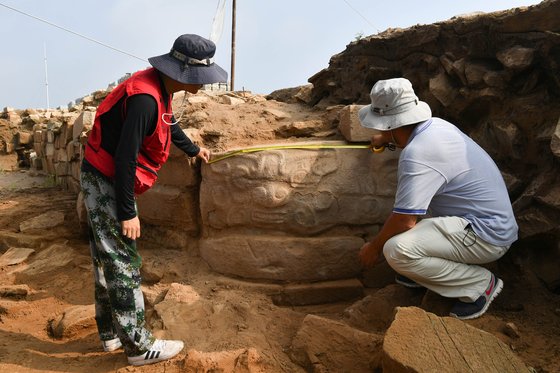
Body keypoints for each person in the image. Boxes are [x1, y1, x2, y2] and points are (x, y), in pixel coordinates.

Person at [80, 34, 227, 366]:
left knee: (107, 257)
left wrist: (193, 148)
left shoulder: (161, 89)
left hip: (101, 174)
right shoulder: (145, 99)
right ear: (180, 71)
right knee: (122, 260)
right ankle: (138, 345)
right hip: (106, 178)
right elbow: (125, 159)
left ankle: (111, 334)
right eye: (199, 78)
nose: (202, 85)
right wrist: (128, 212)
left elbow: (168, 124)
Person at [357, 77, 518, 320]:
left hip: (487, 235)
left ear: (389, 123)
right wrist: (388, 138)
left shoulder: (418, 154)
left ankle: (479, 285)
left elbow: (404, 220)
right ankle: (421, 272)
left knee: (395, 250)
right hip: (486, 220)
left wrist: (374, 248)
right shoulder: (435, 127)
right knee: (410, 212)